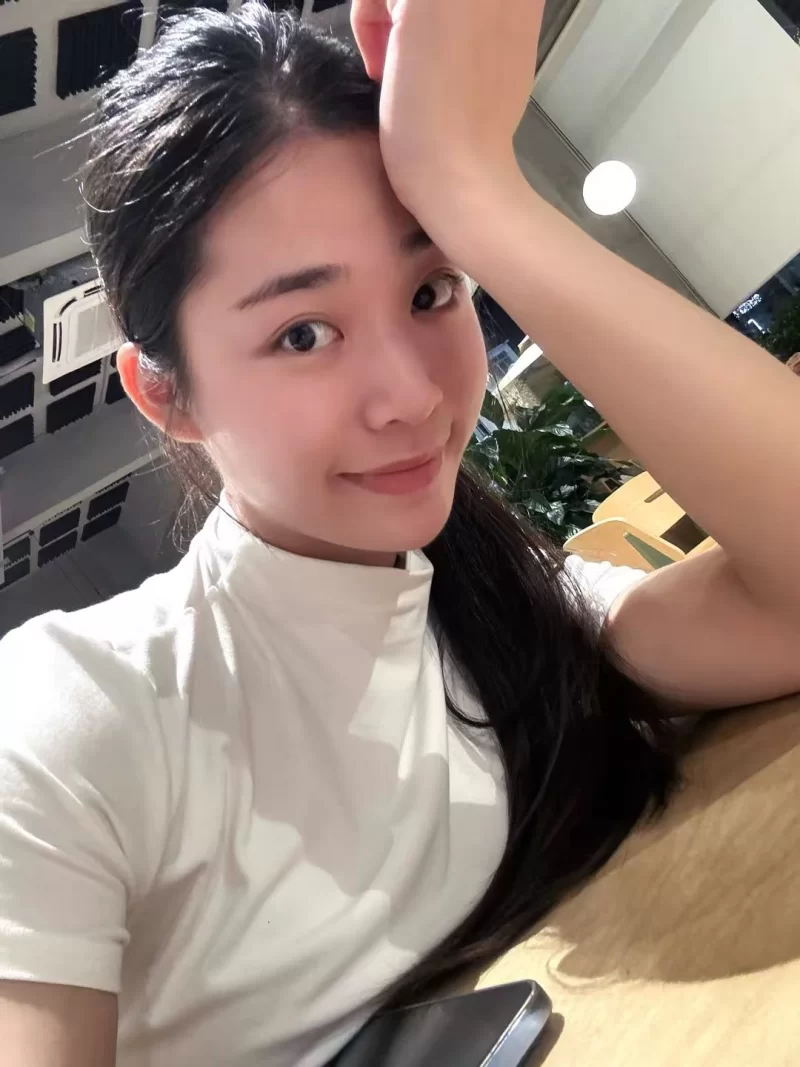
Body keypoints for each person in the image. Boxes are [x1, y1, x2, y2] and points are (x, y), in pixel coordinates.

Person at [1, 2, 799, 1064]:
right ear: (167, 395)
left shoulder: (513, 610)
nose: (412, 395)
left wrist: (475, 189)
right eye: (303, 333)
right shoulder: (71, 714)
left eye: (431, 288)